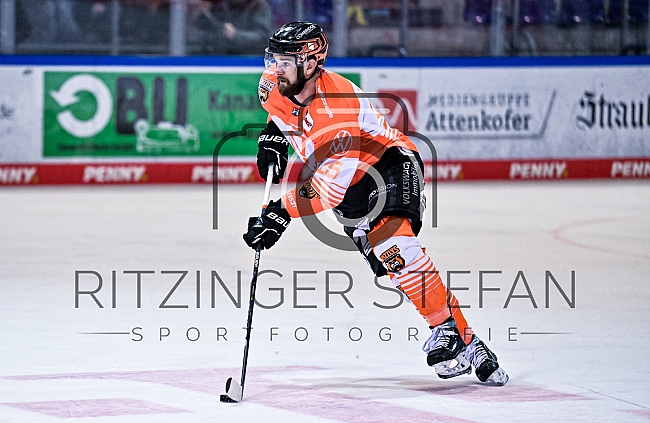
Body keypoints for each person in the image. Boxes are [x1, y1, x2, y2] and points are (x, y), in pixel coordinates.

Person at [243, 21, 509, 386]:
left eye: (285, 62)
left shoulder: (337, 111)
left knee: (393, 244)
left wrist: (280, 212)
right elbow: (282, 113)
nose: (275, 68)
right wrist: (272, 135)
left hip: (388, 162)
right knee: (396, 268)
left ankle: (446, 329)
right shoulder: (271, 85)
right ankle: (466, 340)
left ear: (311, 63)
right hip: (349, 184)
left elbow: (328, 191)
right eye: (273, 59)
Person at [194, 0, 274, 55]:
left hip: (250, 60)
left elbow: (262, 38)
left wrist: (235, 34)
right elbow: (205, 29)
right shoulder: (220, 4)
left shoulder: (258, 5)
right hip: (220, 58)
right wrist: (200, 13)